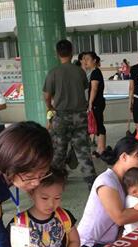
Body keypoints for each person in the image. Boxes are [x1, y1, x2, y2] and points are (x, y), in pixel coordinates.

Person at [9, 168, 80, 247]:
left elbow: (75, 241)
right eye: (44, 198)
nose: (51, 204)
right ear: (31, 193)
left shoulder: (64, 217)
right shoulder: (20, 223)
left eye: (57, 198)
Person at [43, 40, 96, 190]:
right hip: (79, 116)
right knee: (83, 150)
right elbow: (84, 88)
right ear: (71, 51)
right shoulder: (79, 71)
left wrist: (50, 107)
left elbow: (46, 95)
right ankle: (92, 183)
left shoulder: (53, 72)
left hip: (61, 116)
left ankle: (53, 181)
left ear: (57, 53)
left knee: (59, 150)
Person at [84, 52, 107, 157]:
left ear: (94, 61)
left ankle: (101, 149)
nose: (85, 61)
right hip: (98, 102)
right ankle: (100, 148)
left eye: (88, 59)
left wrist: (90, 103)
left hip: (96, 103)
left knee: (99, 124)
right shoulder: (95, 72)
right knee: (97, 124)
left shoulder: (95, 73)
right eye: (84, 59)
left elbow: (94, 88)